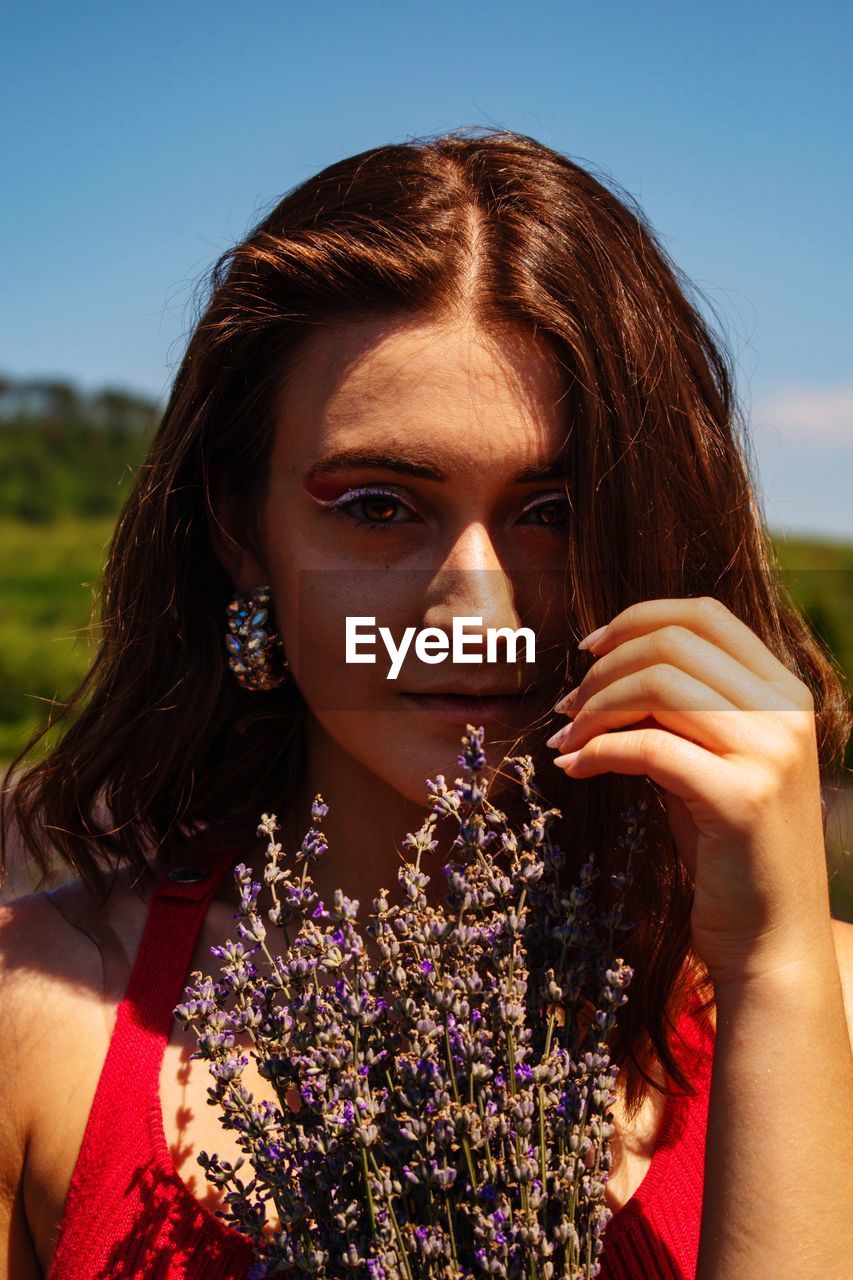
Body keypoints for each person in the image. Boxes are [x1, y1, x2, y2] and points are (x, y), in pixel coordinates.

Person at [1, 126, 851, 1280]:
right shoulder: (34, 1010)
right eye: (378, 505)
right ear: (240, 529)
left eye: (552, 509)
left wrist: (776, 972)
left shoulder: (824, 1002)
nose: (475, 609)